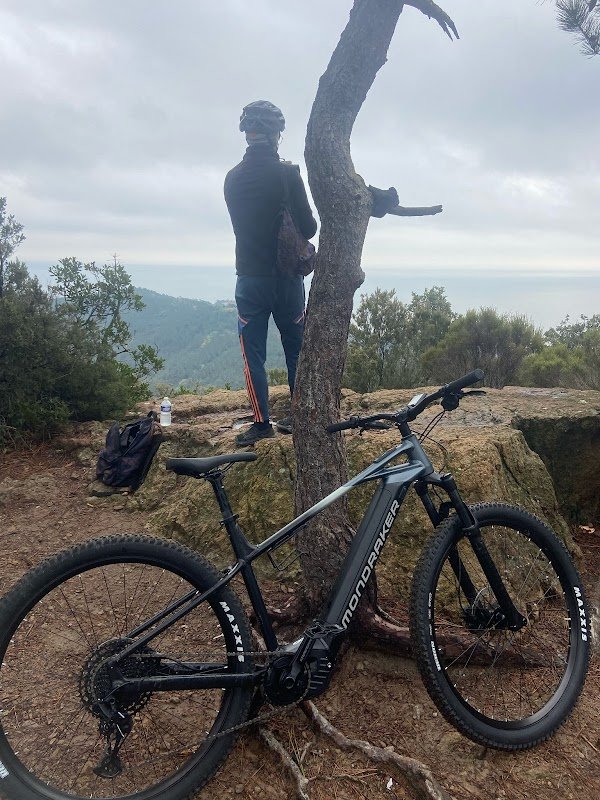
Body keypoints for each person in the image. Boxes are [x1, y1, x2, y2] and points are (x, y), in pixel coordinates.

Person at [224, 100, 318, 446]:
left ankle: (260, 423)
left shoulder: (232, 179)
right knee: (296, 349)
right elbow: (308, 227)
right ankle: (299, 417)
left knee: (253, 354)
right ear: (277, 134)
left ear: (247, 134)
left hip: (250, 278)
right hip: (287, 279)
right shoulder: (288, 174)